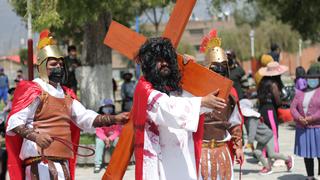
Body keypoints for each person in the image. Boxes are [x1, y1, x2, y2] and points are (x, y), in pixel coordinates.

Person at [5, 30, 129, 180]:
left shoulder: (66, 94)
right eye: (53, 64)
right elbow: (14, 122)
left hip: (62, 164)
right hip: (40, 165)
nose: (58, 67)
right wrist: (35, 136)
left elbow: (86, 118)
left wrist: (115, 118)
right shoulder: (34, 90)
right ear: (42, 66)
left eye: (60, 64)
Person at [132, 37, 227, 180]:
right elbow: (169, 108)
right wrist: (201, 102)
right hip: (161, 161)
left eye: (167, 59)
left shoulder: (174, 87)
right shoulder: (145, 89)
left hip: (184, 158)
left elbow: (196, 106)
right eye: (158, 60)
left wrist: (191, 70)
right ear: (149, 64)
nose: (164, 63)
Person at [199, 30, 243, 180]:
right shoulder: (196, 92)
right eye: (216, 68)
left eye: (223, 68)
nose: (219, 72)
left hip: (222, 150)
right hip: (200, 151)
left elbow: (235, 123)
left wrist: (238, 147)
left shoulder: (230, 94)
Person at [241, 99, 293, 175]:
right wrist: (251, 144)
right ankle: (267, 167)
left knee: (271, 154)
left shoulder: (251, 119)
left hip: (268, 136)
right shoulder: (246, 119)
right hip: (262, 139)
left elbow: (252, 132)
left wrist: (249, 143)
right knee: (257, 152)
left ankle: (288, 159)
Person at [291, 66, 320, 180]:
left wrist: (311, 118)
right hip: (303, 128)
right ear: (306, 79)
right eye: (310, 78)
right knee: (307, 154)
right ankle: (310, 176)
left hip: (317, 128)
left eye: (315, 78)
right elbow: (293, 108)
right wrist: (299, 118)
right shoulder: (300, 93)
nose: (312, 80)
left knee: (319, 154)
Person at [94, 98, 122, 173]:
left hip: (112, 138)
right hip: (103, 137)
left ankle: (116, 163)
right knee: (99, 142)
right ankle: (97, 164)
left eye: (110, 106)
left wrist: (110, 139)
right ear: (101, 108)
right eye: (106, 106)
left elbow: (118, 131)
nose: (108, 108)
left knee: (117, 142)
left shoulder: (116, 118)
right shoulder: (98, 118)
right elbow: (98, 131)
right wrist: (105, 139)